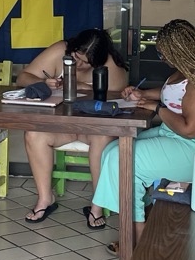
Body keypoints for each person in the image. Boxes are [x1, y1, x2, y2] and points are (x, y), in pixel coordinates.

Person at [92, 18, 195, 250]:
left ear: (178, 51)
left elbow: (190, 129)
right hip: (174, 138)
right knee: (112, 151)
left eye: (165, 54)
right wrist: (141, 94)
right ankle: (137, 225)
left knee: (122, 160)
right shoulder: (185, 72)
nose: (162, 59)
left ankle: (139, 238)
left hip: (192, 149)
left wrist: (156, 108)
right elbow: (171, 93)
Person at [18, 28, 129, 227]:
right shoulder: (60, 50)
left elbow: (116, 98)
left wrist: (82, 86)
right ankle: (45, 198)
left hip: (93, 128)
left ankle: (97, 204)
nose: (79, 64)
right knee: (34, 134)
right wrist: (43, 82)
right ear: (73, 48)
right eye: (77, 57)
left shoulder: (110, 64)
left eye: (87, 63)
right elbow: (23, 77)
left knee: (102, 140)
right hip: (62, 125)